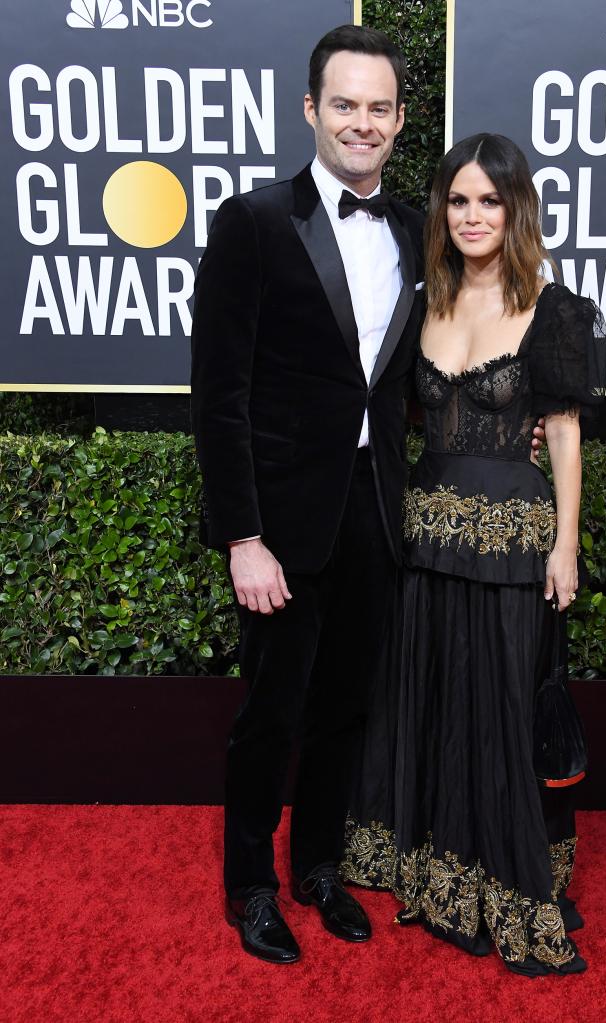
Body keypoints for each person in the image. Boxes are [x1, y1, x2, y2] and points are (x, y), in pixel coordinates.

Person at [341, 133, 606, 976]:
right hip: (423, 538)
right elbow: (401, 413)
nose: (471, 215)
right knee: (427, 699)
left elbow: (561, 433)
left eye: (488, 200)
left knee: (497, 706)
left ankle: (503, 874)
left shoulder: (552, 306)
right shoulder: (422, 300)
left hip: (511, 545)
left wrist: (565, 543)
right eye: (457, 200)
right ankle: (433, 864)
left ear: (514, 208)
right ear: (441, 209)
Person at [190, 25, 426, 964]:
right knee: (270, 712)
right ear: (310, 110)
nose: (360, 123)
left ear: (399, 120)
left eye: (378, 108)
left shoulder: (412, 226)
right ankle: (250, 883)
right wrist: (242, 535)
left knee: (344, 708)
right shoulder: (251, 221)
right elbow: (220, 395)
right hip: (282, 524)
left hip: (375, 507)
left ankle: (317, 867)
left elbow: (419, 371)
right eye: (343, 104)